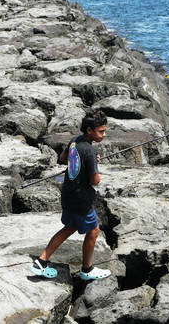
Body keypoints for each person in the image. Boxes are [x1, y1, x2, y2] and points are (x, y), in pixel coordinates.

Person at [30, 110, 112, 280]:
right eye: (101, 131)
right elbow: (95, 181)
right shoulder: (90, 151)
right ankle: (87, 270)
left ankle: (41, 261)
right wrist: (94, 165)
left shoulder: (75, 141)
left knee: (70, 227)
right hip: (81, 199)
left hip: (68, 194)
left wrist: (85, 162)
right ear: (89, 130)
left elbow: (62, 157)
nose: (104, 135)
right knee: (93, 230)